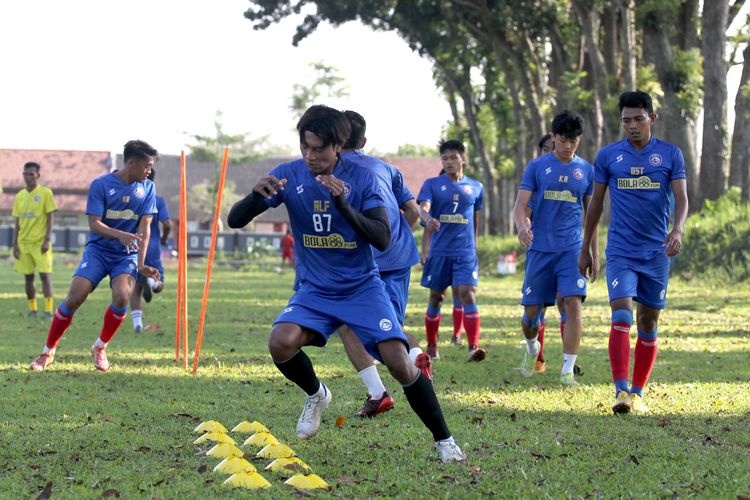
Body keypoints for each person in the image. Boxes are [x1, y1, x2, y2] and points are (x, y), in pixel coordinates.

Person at [227, 105, 465, 462]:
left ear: (338, 146)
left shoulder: (364, 177)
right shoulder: (289, 175)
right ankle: (317, 394)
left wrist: (342, 203)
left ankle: (444, 441)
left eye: (319, 148)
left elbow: (382, 237)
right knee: (280, 343)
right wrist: (254, 198)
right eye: (305, 147)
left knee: (399, 362)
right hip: (314, 289)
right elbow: (234, 221)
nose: (310, 155)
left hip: (361, 287)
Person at [579, 91, 688, 414]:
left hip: (656, 253)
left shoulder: (670, 155)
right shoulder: (610, 156)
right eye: (626, 120)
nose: (632, 125)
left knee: (648, 322)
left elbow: (681, 198)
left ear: (652, 118)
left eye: (638, 119)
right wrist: (586, 247)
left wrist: (678, 229)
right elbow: (596, 204)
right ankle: (620, 390)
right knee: (622, 314)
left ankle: (638, 392)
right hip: (621, 251)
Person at [29, 140, 161, 372]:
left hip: (126, 256)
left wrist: (141, 264)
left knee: (122, 296)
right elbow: (94, 224)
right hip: (98, 251)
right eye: (147, 166)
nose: (149, 171)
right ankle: (47, 352)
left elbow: (145, 228)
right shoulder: (101, 184)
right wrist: (120, 234)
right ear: (131, 163)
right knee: (74, 298)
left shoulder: (148, 188)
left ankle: (100, 347)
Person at [335, 110, 431, 419]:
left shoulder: (332, 171)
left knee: (357, 325)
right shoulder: (386, 168)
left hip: (367, 260)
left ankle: (381, 391)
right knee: (385, 322)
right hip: (400, 254)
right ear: (363, 141)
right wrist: (398, 234)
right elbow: (413, 212)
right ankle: (415, 356)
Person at [512, 110, 594, 386]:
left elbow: (591, 215)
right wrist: (523, 227)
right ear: (555, 137)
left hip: (571, 249)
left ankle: (567, 370)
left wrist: (591, 249)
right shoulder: (537, 167)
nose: (568, 145)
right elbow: (520, 206)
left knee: (573, 304)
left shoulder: (587, 171)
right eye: (562, 139)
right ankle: (532, 346)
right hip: (540, 249)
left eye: (573, 140)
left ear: (579, 140)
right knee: (532, 314)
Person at [418, 140, 485, 362]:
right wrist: (427, 219)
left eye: (453, 157)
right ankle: (432, 346)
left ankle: (473, 347)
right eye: (444, 158)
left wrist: (474, 247)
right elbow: (423, 207)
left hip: (465, 252)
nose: (448, 162)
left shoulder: (476, 187)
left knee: (467, 293)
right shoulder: (432, 184)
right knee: (437, 297)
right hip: (440, 252)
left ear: (463, 159)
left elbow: (474, 220)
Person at [12, 162, 57, 319]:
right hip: (23, 243)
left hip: (40, 243)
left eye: (31, 174)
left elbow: (51, 215)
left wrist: (47, 239)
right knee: (28, 277)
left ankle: (48, 310)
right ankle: (32, 309)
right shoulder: (19, 196)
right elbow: (17, 222)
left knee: (45, 276)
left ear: (38, 176)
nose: (28, 177)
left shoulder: (45, 193)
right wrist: (14, 244)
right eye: (25, 174)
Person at [130, 167, 171, 333]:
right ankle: (152, 283)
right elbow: (167, 224)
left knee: (136, 288)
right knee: (159, 281)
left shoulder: (132, 200)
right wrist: (164, 238)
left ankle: (137, 324)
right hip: (152, 245)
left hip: (133, 245)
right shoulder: (158, 200)